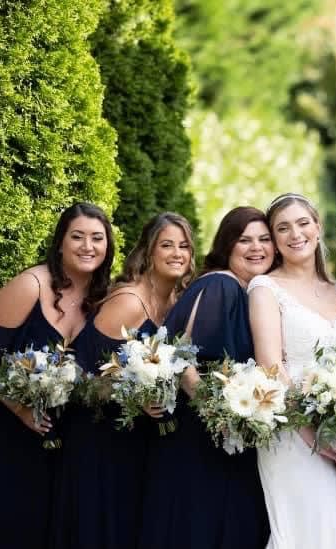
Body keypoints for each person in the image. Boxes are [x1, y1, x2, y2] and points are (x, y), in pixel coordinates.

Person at [0, 202, 114, 549]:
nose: (88, 246)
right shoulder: (30, 286)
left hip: (50, 438)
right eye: (78, 237)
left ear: (108, 246)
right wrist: (19, 408)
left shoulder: (102, 298)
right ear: (60, 243)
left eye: (97, 238)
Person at [50, 211, 195, 548]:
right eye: (167, 245)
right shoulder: (128, 301)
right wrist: (133, 395)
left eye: (184, 246)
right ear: (149, 251)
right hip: (98, 441)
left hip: (140, 443)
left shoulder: (177, 301)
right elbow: (80, 376)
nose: (176, 253)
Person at [137, 207, 271, 549]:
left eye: (265, 239)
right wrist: (216, 413)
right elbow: (181, 354)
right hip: (200, 437)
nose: (256, 248)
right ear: (227, 245)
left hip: (220, 436)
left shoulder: (247, 292)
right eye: (245, 240)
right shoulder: (220, 284)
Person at [249, 193, 336, 549]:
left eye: (302, 223)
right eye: (282, 228)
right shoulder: (265, 288)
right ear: (275, 239)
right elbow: (271, 368)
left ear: (317, 227)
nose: (294, 234)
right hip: (293, 433)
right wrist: (314, 436)